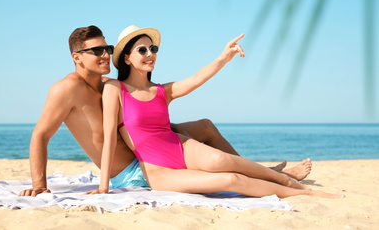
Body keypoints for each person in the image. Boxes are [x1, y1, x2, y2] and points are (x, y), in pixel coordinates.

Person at [19, 25, 310, 197]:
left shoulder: (109, 84)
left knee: (204, 126)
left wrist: (223, 58)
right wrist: (40, 184)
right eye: (97, 51)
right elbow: (40, 135)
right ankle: (267, 178)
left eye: (107, 48)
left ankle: (265, 172)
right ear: (77, 58)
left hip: (145, 147)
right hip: (135, 168)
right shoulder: (65, 89)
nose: (105, 54)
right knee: (215, 164)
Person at [88, 25, 344, 199]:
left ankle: (286, 181)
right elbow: (110, 136)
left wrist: (224, 56)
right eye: (142, 50)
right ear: (127, 58)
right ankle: (302, 192)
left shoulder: (163, 91)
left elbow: (198, 77)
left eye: (153, 49)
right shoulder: (114, 88)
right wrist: (104, 186)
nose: (150, 54)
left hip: (180, 147)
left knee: (224, 161)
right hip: (157, 170)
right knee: (230, 180)